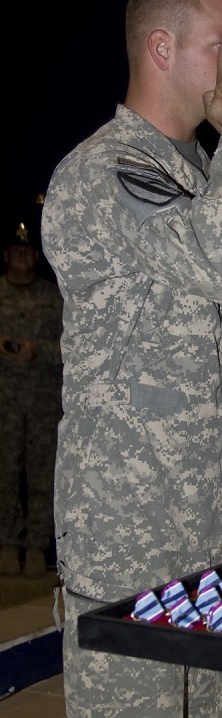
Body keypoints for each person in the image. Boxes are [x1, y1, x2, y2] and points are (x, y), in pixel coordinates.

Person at [40, 0, 222, 718]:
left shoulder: (194, 173)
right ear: (161, 46)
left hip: (204, 527)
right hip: (127, 539)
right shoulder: (108, 170)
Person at [0, 219, 63, 578]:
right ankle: (8, 544)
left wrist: (38, 350)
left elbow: (71, 346)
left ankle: (37, 546)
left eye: (28, 252)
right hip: (5, 403)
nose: (23, 258)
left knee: (42, 475)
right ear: (6, 255)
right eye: (16, 251)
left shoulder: (53, 297)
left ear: (36, 256)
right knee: (5, 474)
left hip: (42, 402)